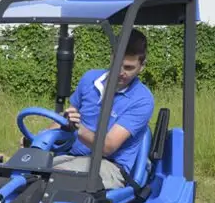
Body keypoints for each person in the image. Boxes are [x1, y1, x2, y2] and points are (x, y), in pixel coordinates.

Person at [51, 28, 155, 189]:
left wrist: (77, 129)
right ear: (112, 57)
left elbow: (107, 147)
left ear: (142, 66)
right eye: (117, 64)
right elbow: (65, 119)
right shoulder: (90, 79)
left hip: (110, 166)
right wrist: (38, 140)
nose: (120, 73)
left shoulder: (142, 99)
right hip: (71, 156)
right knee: (28, 169)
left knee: (54, 177)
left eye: (128, 68)